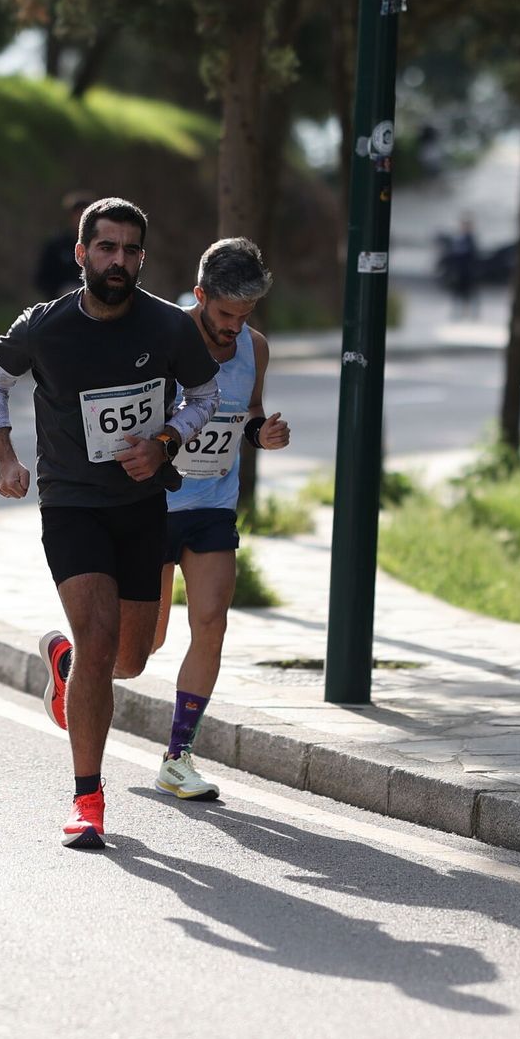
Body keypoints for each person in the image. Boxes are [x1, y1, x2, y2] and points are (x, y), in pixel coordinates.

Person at [0, 197, 220, 849]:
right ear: (81, 254)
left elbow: (205, 395)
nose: (119, 260)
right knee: (99, 632)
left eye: (131, 250)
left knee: (129, 660)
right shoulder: (46, 327)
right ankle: (88, 799)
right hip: (71, 502)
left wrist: (166, 442)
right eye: (106, 247)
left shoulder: (168, 327)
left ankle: (68, 670)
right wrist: (6, 457)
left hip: (141, 507)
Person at [148, 237, 290, 801]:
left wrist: (264, 434)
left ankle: (177, 757)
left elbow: (248, 414)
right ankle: (72, 662)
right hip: (154, 507)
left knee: (211, 623)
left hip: (212, 504)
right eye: (226, 313)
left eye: (246, 314)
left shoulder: (254, 346)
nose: (234, 326)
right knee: (145, 645)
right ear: (201, 295)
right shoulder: (162, 337)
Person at [32, 191, 90, 303]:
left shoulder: (102, 246)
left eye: (85, 214)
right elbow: (42, 278)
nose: (81, 218)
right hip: (61, 303)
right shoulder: (57, 246)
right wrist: (59, 292)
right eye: (78, 214)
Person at [445, 215, 480, 320]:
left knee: (470, 294)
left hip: (468, 273)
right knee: (458, 294)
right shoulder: (459, 240)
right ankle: (458, 313)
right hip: (460, 272)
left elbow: (474, 256)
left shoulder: (470, 240)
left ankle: (472, 314)